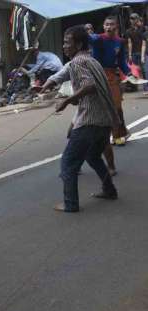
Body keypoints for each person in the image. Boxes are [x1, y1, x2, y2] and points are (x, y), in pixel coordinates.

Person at [36, 25, 120, 212]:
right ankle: (109, 190)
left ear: (79, 44)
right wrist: (47, 85)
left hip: (89, 121)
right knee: (92, 156)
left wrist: (67, 101)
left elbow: (89, 85)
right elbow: (63, 74)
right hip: (105, 120)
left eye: (67, 42)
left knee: (68, 163)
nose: (64, 46)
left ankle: (70, 203)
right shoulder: (90, 60)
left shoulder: (78, 63)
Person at [90, 15, 144, 150]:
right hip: (96, 74)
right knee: (91, 107)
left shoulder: (120, 41)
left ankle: (118, 135)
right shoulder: (98, 39)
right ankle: (78, 135)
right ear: (103, 26)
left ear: (116, 27)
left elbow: (121, 62)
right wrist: (86, 34)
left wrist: (129, 73)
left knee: (116, 106)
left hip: (112, 76)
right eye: (106, 24)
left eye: (111, 24)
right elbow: (86, 38)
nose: (109, 27)